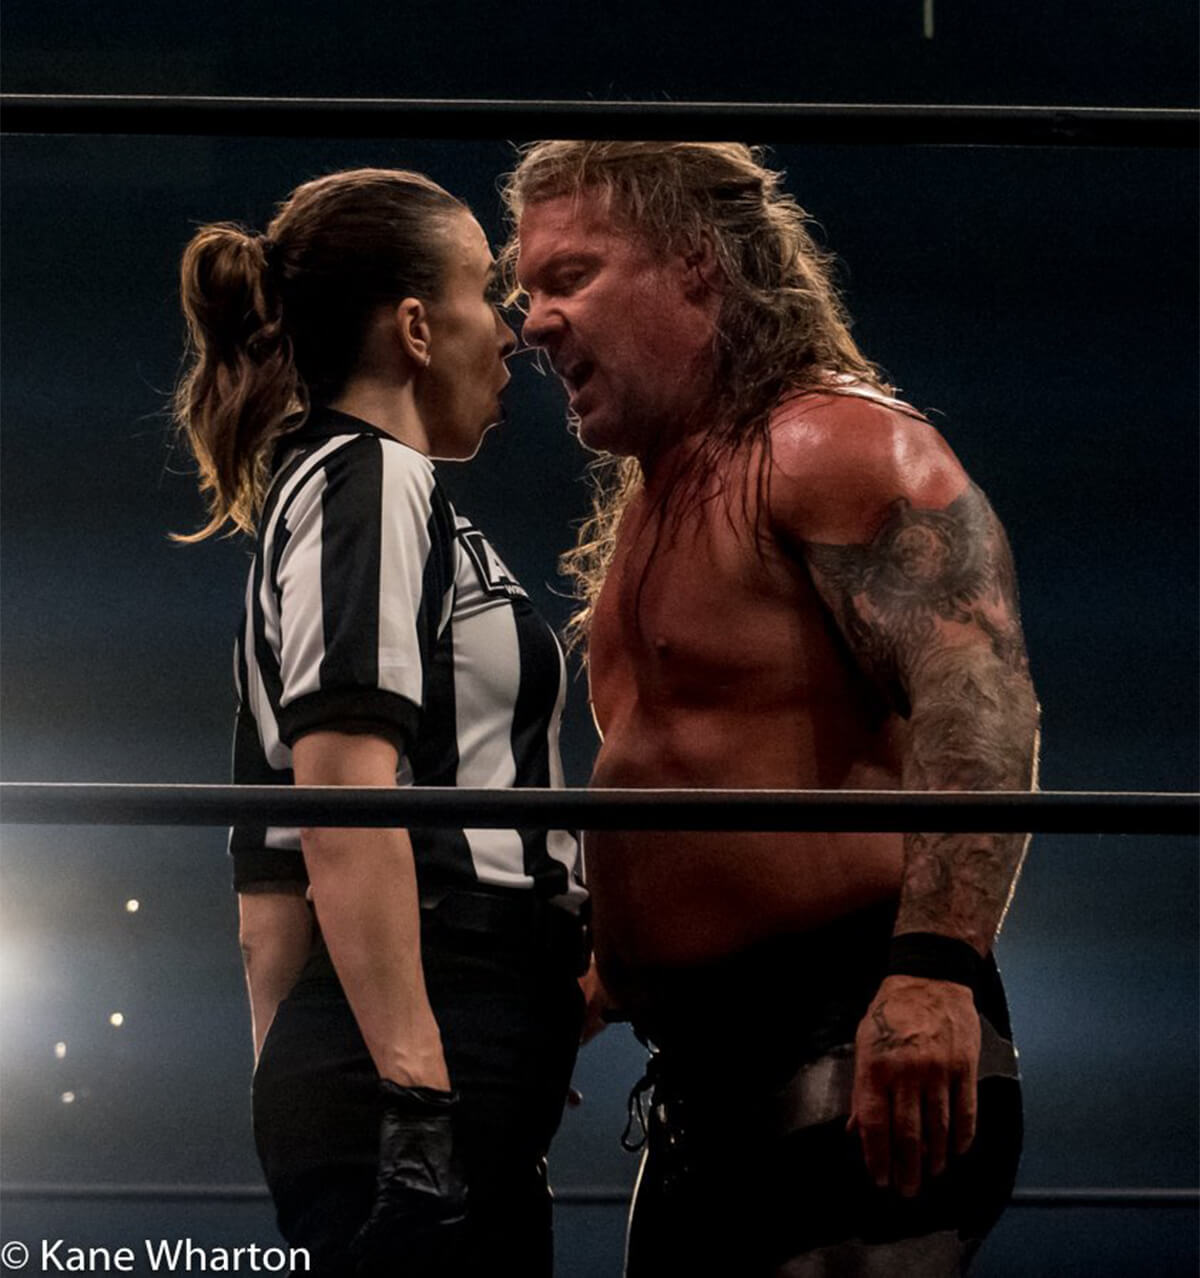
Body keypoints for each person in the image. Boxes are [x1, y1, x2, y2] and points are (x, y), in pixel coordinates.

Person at [503, 141, 1040, 1276]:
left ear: (696, 265)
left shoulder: (825, 442)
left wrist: (935, 969)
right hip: (704, 1077)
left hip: (850, 1033)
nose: (533, 320)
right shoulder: (661, 508)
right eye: (523, 290)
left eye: (570, 277)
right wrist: (600, 981)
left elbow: (979, 701)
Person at [173, 167, 587, 1278]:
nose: (514, 333)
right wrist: (412, 1091)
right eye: (488, 293)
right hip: (425, 1042)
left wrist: (309, 1085)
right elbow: (341, 803)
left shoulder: (342, 496)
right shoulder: (370, 481)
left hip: (422, 1044)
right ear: (414, 326)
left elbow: (267, 885)